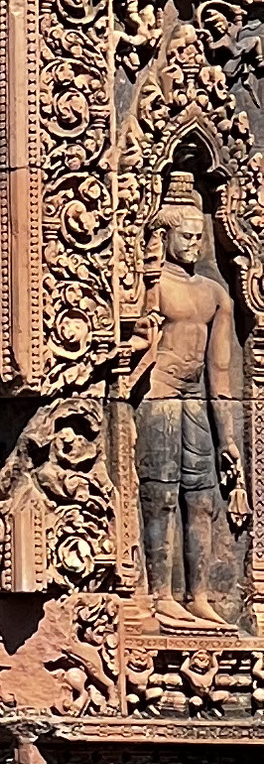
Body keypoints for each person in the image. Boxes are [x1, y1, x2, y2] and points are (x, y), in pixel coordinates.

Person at [137, 167, 247, 624]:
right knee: (161, 495)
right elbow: (134, 345)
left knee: (202, 498)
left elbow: (219, 373)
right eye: (185, 236)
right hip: (159, 398)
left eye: (200, 237)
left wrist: (229, 439)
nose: (195, 246)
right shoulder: (153, 287)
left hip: (196, 403)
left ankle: (197, 595)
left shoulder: (214, 294)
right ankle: (160, 593)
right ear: (163, 237)